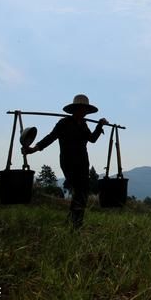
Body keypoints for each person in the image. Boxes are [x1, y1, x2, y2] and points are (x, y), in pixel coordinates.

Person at [22, 94, 108, 229]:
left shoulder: (84, 125)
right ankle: (75, 224)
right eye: (80, 109)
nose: (83, 112)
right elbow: (51, 137)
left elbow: (92, 139)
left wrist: (99, 126)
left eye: (85, 110)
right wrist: (34, 149)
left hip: (83, 163)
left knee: (82, 192)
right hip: (69, 162)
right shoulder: (64, 123)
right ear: (74, 110)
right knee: (79, 191)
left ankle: (74, 222)